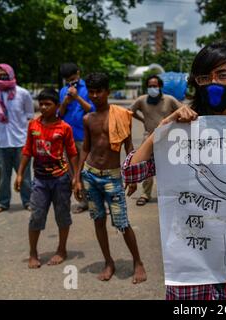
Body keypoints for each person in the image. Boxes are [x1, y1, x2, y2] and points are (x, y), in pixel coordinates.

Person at [122, 41, 226, 300]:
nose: (214, 84)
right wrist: (164, 127)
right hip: (191, 267)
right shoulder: (182, 133)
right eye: (204, 77)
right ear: (196, 83)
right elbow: (131, 173)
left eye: (223, 75)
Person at [73, 72, 147, 284]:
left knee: (122, 222)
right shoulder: (88, 119)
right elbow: (85, 148)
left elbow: (129, 147)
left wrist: (132, 177)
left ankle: (138, 261)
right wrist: (77, 177)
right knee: (98, 220)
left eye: (99, 91)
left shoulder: (122, 115)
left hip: (113, 177)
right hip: (91, 174)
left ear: (108, 92)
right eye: (92, 92)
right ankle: (108, 261)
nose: (95, 96)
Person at [15, 88, 78, 268]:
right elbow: (27, 151)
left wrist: (76, 178)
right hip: (40, 180)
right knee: (36, 216)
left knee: (62, 216)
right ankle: (33, 252)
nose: (43, 107)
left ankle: (61, 249)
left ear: (57, 106)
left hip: (61, 179)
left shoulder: (64, 128)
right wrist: (20, 173)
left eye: (48, 104)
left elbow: (73, 153)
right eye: (41, 104)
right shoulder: (33, 125)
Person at [130, 75, 181, 206]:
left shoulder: (169, 100)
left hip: (167, 138)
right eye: (150, 86)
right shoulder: (142, 100)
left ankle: (170, 193)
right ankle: (145, 194)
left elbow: (182, 110)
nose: (153, 88)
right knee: (146, 166)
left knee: (169, 166)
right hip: (149, 137)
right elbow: (130, 112)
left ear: (160, 87)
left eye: (155, 86)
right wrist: (142, 119)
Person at [0, 63, 34, 214]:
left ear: (11, 74)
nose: (1, 77)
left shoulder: (23, 93)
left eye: (4, 73)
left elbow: (30, 115)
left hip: (21, 141)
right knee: (4, 176)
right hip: (0, 142)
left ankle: (29, 201)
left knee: (25, 175)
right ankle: (3, 203)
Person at [59, 62, 95, 214]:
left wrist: (77, 97)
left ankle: (96, 202)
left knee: (89, 170)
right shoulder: (63, 91)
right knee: (74, 172)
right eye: (67, 79)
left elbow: (92, 110)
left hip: (85, 136)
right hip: (68, 137)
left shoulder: (88, 88)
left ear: (78, 73)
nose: (70, 82)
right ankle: (83, 202)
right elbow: (59, 114)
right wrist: (66, 102)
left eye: (72, 78)